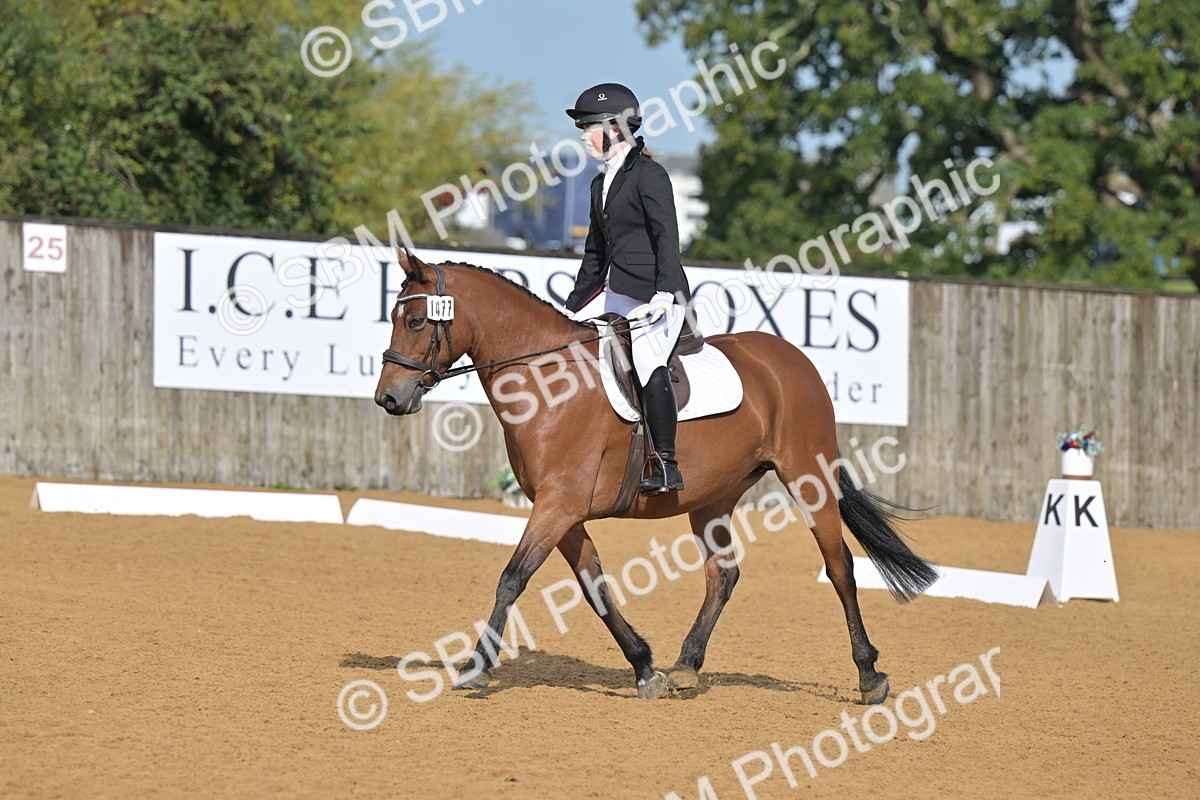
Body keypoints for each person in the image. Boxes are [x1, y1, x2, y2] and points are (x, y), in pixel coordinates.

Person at [563, 82, 692, 495]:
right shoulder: (600, 184)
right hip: (618, 290)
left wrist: (666, 292)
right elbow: (595, 252)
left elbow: (666, 237)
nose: (583, 135)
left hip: (657, 296)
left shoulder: (650, 175)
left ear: (614, 128)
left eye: (588, 126)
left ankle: (666, 463)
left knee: (647, 358)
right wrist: (572, 307)